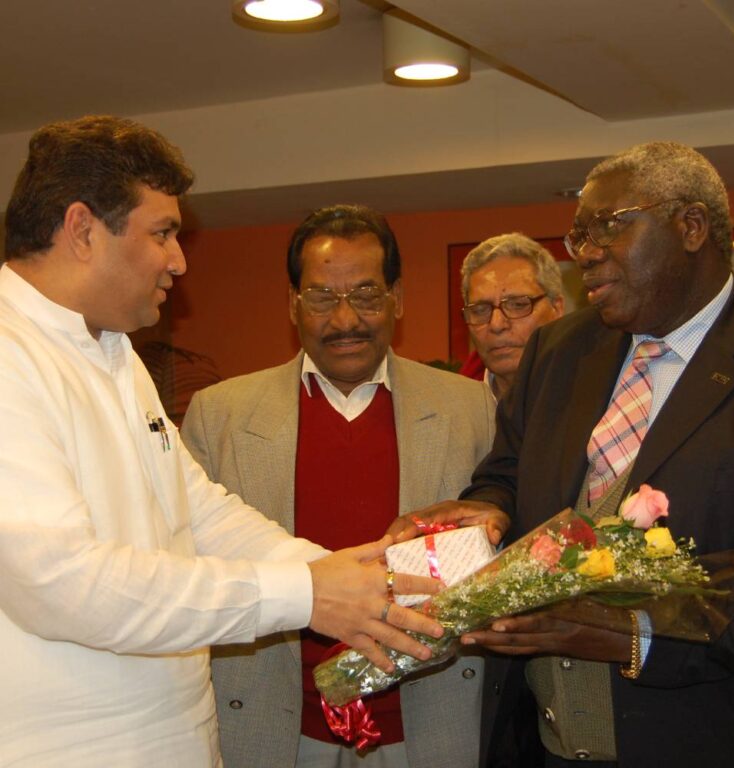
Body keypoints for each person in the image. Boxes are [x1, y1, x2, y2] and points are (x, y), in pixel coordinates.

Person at [0, 116, 446, 768]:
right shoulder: (11, 355)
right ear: (82, 230)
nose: (179, 261)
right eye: (162, 234)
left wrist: (329, 574)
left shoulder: (114, 351)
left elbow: (196, 508)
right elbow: (66, 585)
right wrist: (303, 594)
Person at [407, 141, 734, 767]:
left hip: (704, 738)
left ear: (691, 227)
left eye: (611, 227)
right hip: (540, 745)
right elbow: (508, 472)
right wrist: (487, 511)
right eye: (579, 235)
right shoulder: (560, 351)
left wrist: (636, 635)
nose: (586, 254)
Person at [181, 204, 501, 768]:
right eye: (323, 296)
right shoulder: (220, 415)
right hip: (274, 726)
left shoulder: (471, 407)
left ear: (398, 298)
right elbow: (191, 568)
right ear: (292, 304)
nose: (346, 318)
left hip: (428, 725)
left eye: (367, 295)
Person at [459, 234, 564, 400]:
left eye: (518, 305)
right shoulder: (453, 410)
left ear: (556, 309)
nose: (496, 325)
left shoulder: (594, 393)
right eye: (480, 310)